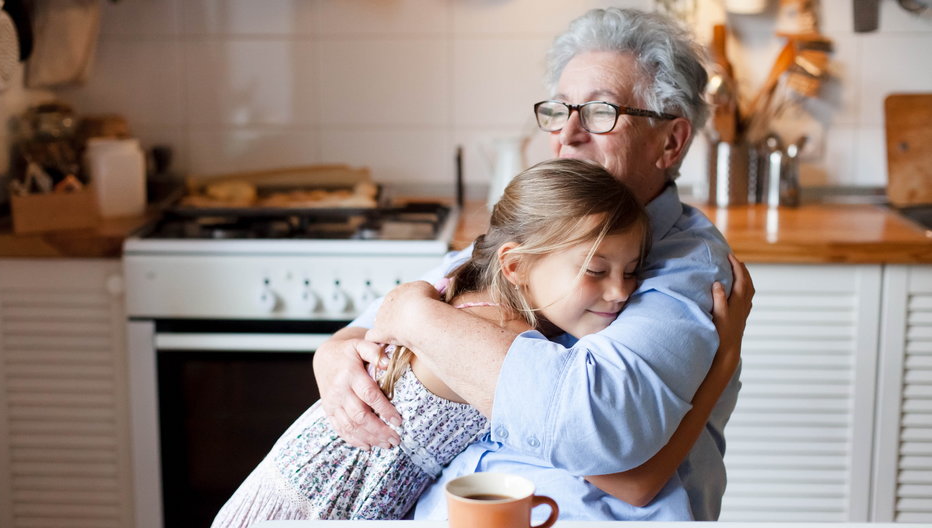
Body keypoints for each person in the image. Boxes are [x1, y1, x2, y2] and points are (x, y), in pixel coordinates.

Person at [313, 7, 746, 521]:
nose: (569, 134)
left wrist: (417, 318)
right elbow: (366, 331)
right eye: (560, 111)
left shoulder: (688, 266)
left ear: (670, 142)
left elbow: (599, 430)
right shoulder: (544, 229)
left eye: (601, 112)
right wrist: (333, 356)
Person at [211, 159, 747, 525]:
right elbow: (633, 482)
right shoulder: (496, 334)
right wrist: (722, 364)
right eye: (595, 270)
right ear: (515, 266)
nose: (620, 292)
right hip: (312, 505)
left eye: (632, 271)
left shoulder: (487, 290)